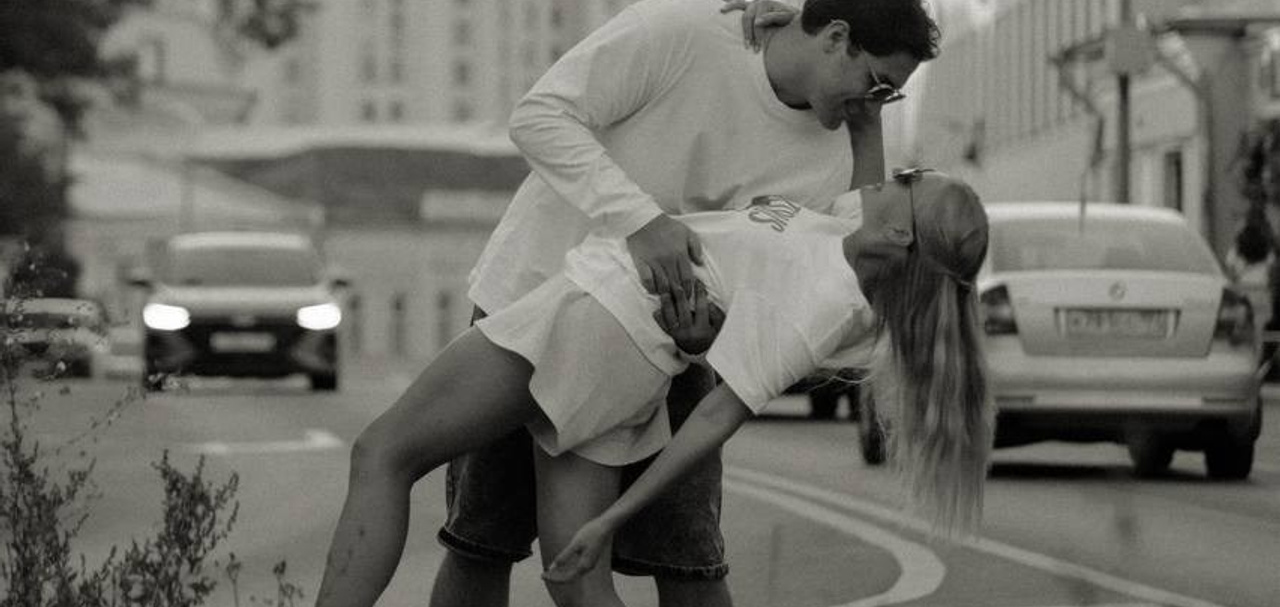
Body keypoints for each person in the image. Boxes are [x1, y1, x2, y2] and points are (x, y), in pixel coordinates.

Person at [422, 0, 939, 607]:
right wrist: (642, 221)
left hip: (670, 357)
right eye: (878, 85)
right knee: (481, 546)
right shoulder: (687, 29)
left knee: (691, 569)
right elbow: (539, 118)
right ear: (836, 37)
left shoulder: (835, 158)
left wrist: (714, 334)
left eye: (890, 98)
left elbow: (817, 278)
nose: (873, 104)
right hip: (526, 309)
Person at [314, 169, 993, 607]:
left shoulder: (824, 304)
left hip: (600, 320)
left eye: (910, 178)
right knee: (577, 581)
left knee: (381, 453)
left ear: (901, 230)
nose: (896, 172)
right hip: (621, 352)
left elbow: (717, 415)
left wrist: (613, 518)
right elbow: (868, 176)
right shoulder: (849, 233)